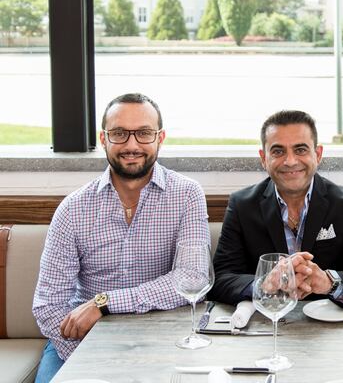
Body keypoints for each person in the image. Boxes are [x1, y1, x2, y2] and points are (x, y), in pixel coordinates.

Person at [32, 93, 210, 382]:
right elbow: (48, 305)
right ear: (104, 139)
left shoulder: (187, 195)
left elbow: (192, 278)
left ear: (160, 138)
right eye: (118, 134)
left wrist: (105, 303)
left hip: (160, 337)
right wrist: (90, 355)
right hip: (82, 341)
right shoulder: (73, 209)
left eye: (143, 133)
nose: (131, 145)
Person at [211, 110, 343, 306]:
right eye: (278, 151)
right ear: (263, 158)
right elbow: (220, 280)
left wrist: (329, 282)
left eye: (300, 149)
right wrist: (264, 284)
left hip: (331, 327)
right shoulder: (242, 205)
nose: (290, 161)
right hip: (267, 321)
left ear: (317, 154)